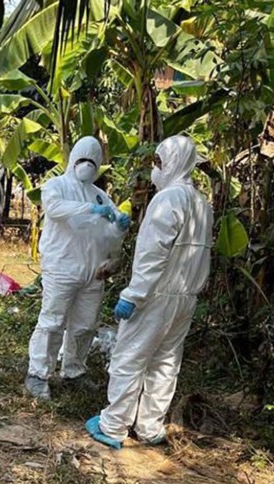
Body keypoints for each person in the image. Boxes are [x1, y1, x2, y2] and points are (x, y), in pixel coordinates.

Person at [86, 135, 213, 449]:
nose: (155, 169)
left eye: (158, 162)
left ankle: (113, 425)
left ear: (171, 163)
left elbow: (153, 253)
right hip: (186, 296)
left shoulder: (168, 199)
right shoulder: (201, 202)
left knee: (130, 357)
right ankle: (150, 426)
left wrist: (134, 294)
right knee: (166, 362)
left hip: (156, 295)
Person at [24, 136, 130, 400]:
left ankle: (74, 371)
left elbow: (109, 236)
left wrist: (119, 227)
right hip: (62, 268)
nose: (87, 166)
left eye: (93, 162)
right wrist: (91, 209)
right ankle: (38, 374)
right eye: (82, 160)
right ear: (72, 160)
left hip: (93, 272)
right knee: (52, 322)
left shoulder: (101, 195)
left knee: (84, 326)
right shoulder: (56, 186)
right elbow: (55, 209)